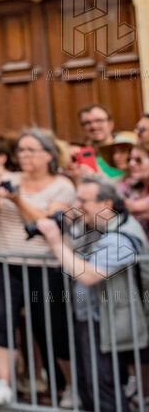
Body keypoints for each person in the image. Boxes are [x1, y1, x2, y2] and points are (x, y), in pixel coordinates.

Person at [0, 128, 77, 407]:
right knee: (1, 319)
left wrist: (18, 201)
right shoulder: (9, 180)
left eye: (30, 150)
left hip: (45, 266)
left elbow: (48, 224)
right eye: (21, 150)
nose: (24, 155)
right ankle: (3, 382)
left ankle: (69, 385)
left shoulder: (62, 186)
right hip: (5, 262)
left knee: (51, 328)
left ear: (48, 155)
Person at [40, 175, 149, 412]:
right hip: (91, 317)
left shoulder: (123, 235)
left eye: (84, 201)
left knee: (103, 388)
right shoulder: (95, 228)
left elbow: (90, 275)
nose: (77, 206)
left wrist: (56, 242)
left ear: (106, 204)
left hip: (110, 321)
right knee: (90, 388)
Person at [78, 104, 124, 179]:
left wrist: (98, 177)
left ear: (110, 124)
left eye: (99, 120)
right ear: (82, 128)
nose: (93, 126)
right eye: (87, 123)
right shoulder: (81, 154)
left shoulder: (126, 149)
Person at [122, 141, 149, 235]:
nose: (131, 163)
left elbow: (132, 208)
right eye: (130, 159)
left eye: (138, 160)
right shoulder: (131, 184)